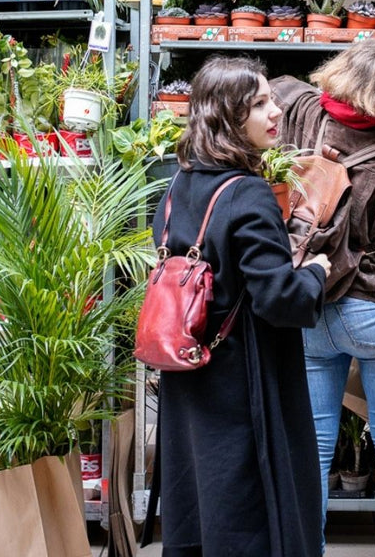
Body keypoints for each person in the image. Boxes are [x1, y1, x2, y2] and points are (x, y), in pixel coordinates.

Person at [149, 55, 331, 557]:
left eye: (271, 98)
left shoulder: (177, 184)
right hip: (243, 382)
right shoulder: (248, 194)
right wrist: (314, 273)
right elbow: (279, 299)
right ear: (228, 117)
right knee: (250, 508)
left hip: (190, 373)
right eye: (259, 104)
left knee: (202, 503)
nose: (276, 112)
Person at [272, 39, 375, 557]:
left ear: (340, 76)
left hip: (310, 303)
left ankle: (310, 550)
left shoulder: (304, 117)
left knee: (316, 446)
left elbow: (276, 90)